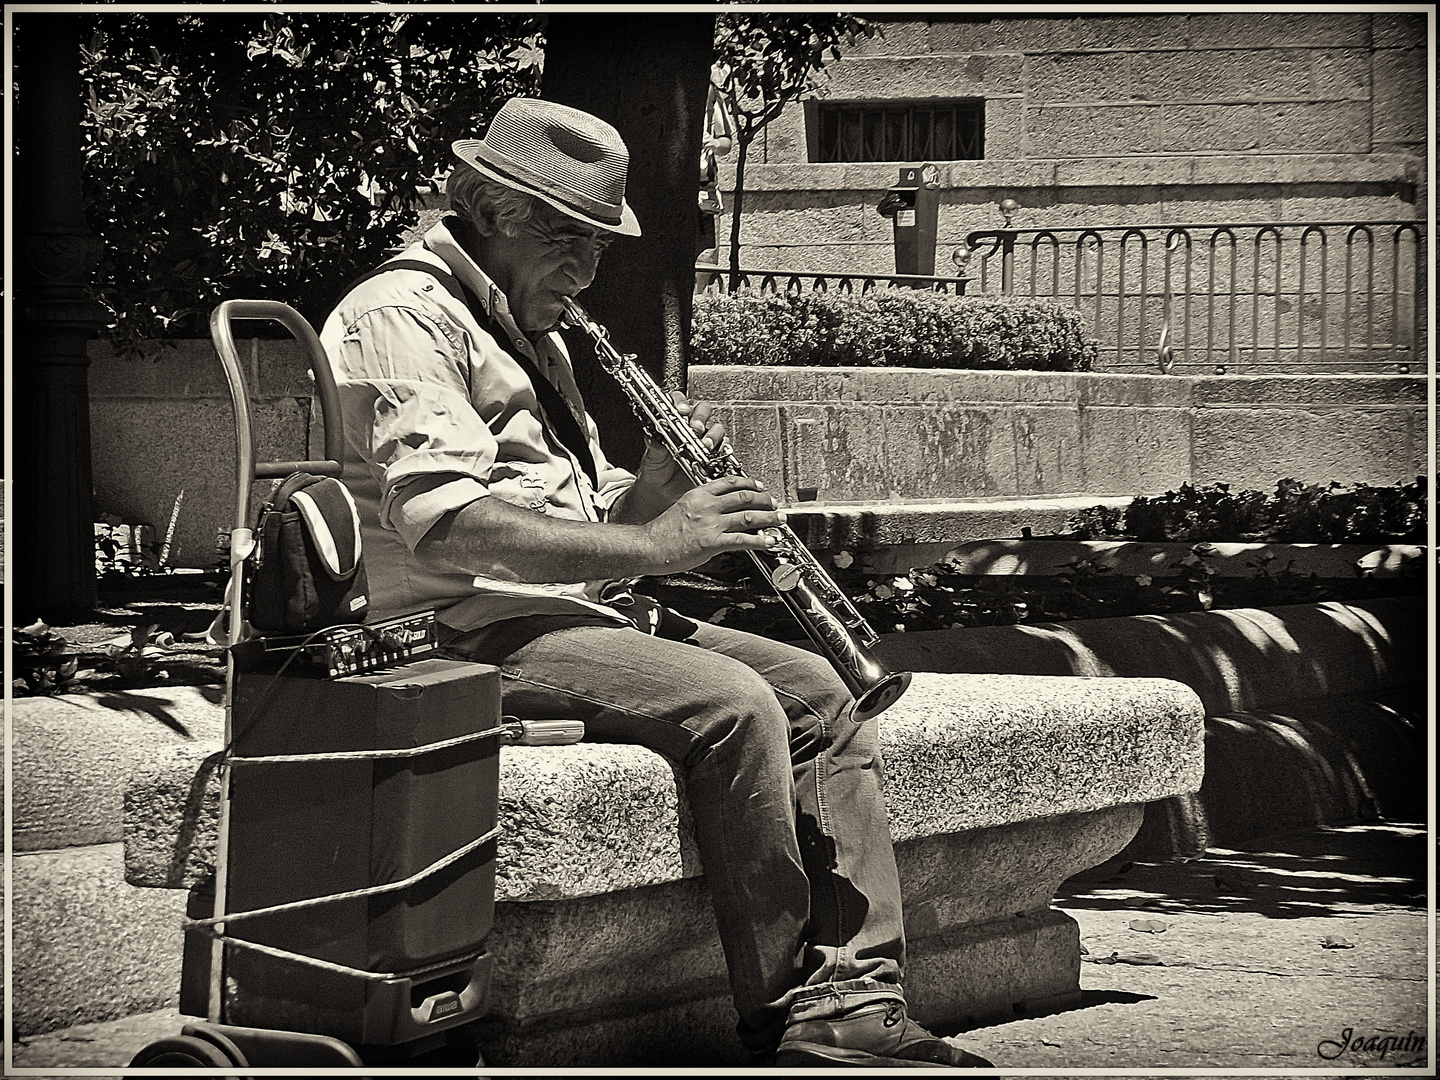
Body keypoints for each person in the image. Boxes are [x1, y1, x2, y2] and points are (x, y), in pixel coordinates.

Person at [320, 96, 993, 1070]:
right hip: (445, 632)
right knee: (734, 703)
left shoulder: (532, 328)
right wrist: (661, 546)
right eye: (571, 239)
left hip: (556, 617)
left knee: (826, 695)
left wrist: (656, 493)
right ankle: (789, 1017)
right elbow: (452, 531)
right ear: (495, 209)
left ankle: (857, 997)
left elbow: (585, 529)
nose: (590, 270)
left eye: (600, 246)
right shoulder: (403, 316)